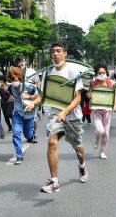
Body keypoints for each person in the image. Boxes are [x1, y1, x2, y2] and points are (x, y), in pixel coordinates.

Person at [25, 42, 88, 193]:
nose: (55, 54)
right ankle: (54, 182)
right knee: (52, 142)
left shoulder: (73, 71)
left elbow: (78, 98)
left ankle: (82, 165)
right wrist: (33, 103)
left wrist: (65, 112)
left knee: (77, 147)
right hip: (55, 113)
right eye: (53, 51)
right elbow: (43, 95)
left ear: (65, 53)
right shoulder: (48, 72)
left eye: (58, 51)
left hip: (72, 115)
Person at [7, 67, 38, 165]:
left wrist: (28, 96)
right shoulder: (10, 88)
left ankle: (31, 135)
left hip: (29, 113)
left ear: (21, 78)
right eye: (12, 80)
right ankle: (19, 156)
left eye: (16, 80)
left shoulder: (30, 87)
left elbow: (39, 97)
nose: (14, 82)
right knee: (16, 133)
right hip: (17, 112)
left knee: (27, 134)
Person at [87, 62, 116, 159]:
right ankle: (96, 137)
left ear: (106, 72)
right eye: (100, 73)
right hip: (96, 111)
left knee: (106, 133)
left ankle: (102, 151)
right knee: (101, 131)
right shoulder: (92, 83)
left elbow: (115, 95)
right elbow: (88, 94)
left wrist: (115, 106)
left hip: (107, 111)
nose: (102, 74)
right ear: (96, 73)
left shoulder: (112, 84)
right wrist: (89, 95)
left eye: (104, 72)